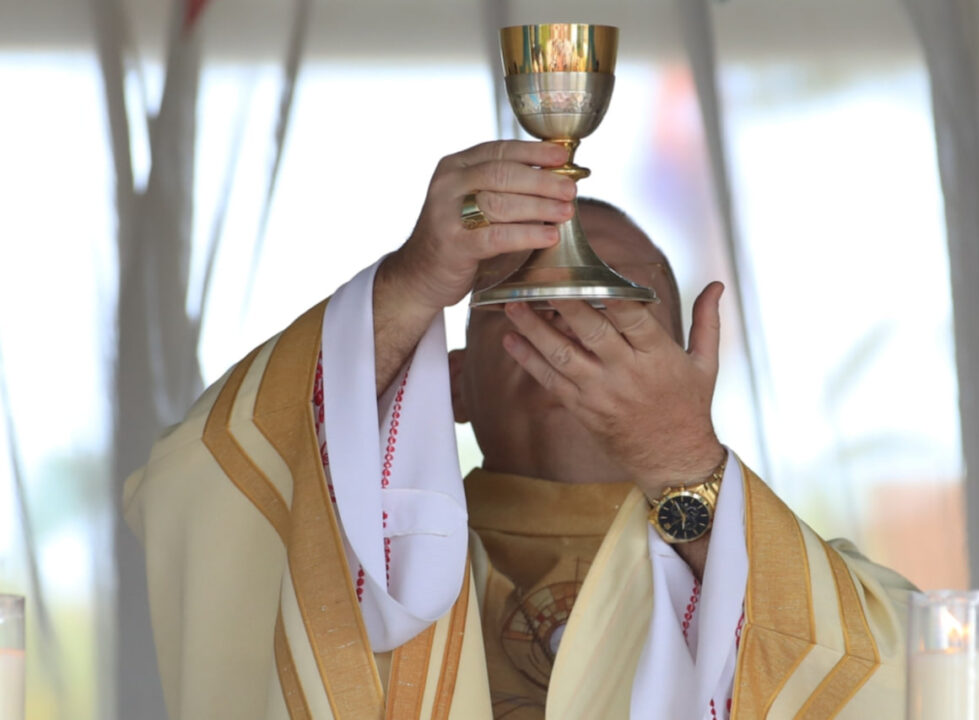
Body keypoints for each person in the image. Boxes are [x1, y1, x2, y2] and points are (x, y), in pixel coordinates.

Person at [125, 140, 916, 720]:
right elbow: (199, 485)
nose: (570, 318)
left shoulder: (791, 583)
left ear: (687, 376)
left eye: (615, 298)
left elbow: (914, 683)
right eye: (522, 296)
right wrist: (410, 282)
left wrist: (683, 460)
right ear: (454, 383)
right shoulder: (358, 557)